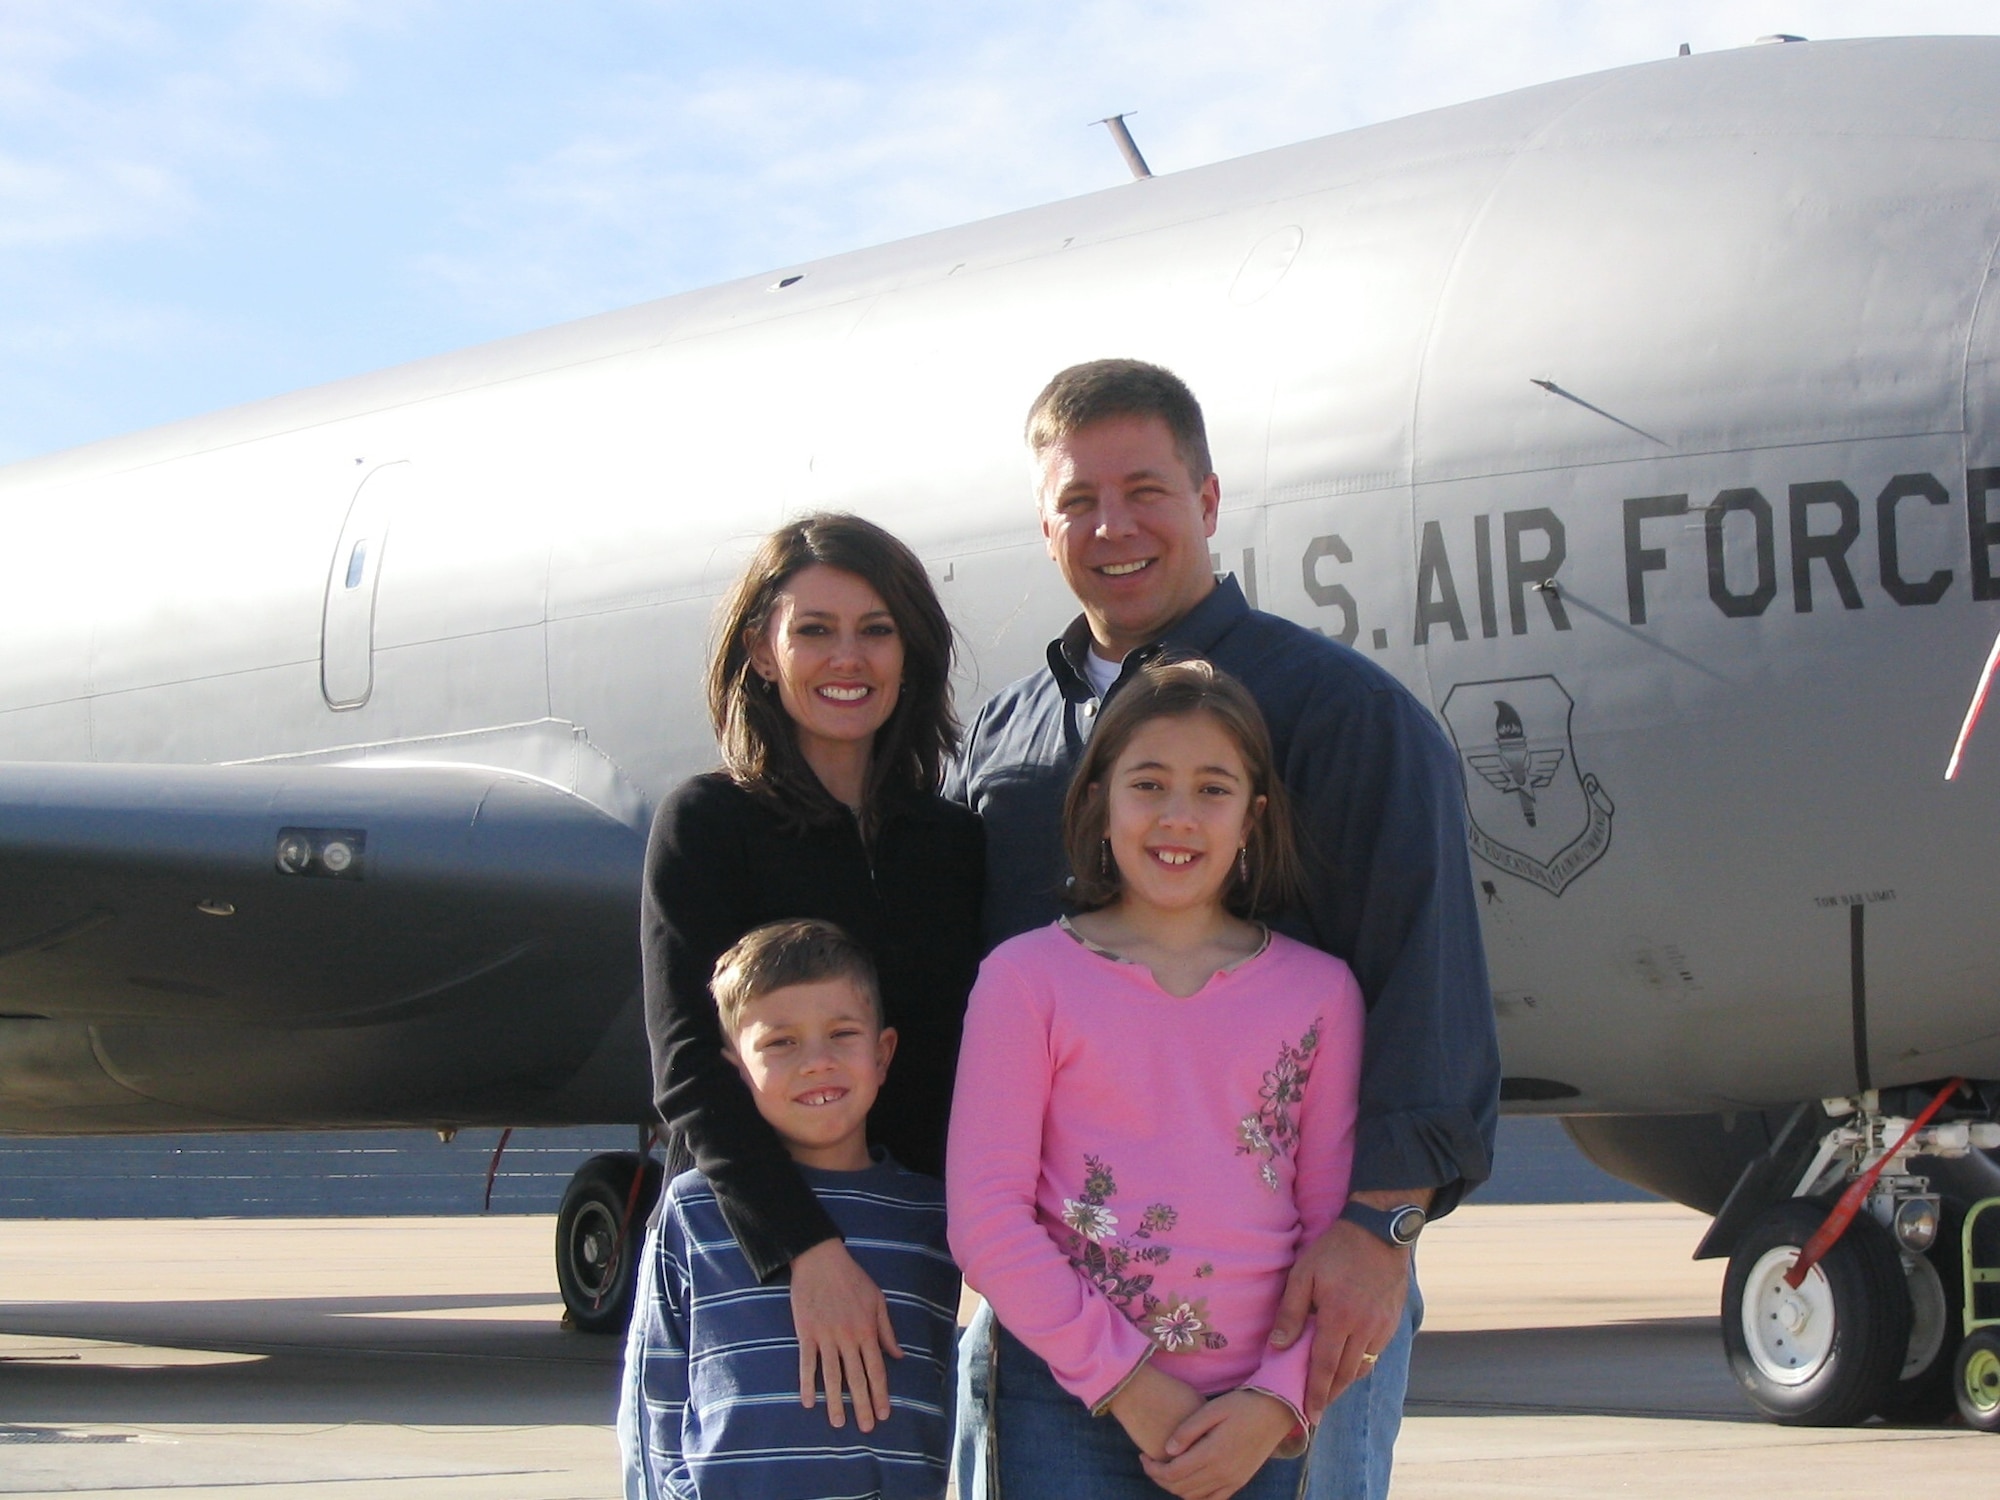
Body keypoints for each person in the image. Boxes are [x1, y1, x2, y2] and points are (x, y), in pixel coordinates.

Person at [950, 360, 1499, 1500]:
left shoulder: (1348, 719)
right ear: (1042, 524)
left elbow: (1425, 989)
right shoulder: (1001, 739)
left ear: (1206, 501)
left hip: (1298, 1306)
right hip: (1059, 1341)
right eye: (1076, 501)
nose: (1112, 526)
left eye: (1144, 489)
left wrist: (1375, 1239)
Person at [948, 660, 1364, 1500]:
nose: (1178, 816)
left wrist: (1277, 1402)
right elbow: (985, 1222)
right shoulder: (1026, 981)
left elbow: (1332, 1234)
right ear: (1100, 801)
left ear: (1253, 819)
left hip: (1254, 1422)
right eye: (1149, 784)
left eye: (1212, 789)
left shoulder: (1321, 994)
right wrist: (1127, 1384)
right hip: (1069, 1402)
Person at [638, 513, 984, 1442]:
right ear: (760, 648)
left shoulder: (951, 845)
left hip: (906, 1247)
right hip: (746, 1248)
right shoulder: (706, 825)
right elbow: (687, 1068)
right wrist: (806, 1251)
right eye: (814, 629)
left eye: (877, 629)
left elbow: (958, 1066)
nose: (850, 657)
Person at [621, 918, 961, 1499]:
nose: (816, 1061)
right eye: (781, 1042)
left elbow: (944, 1395)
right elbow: (659, 1394)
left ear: (883, 1054)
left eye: (843, 1034)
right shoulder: (697, 1209)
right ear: (737, 1070)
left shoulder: (934, 1216)